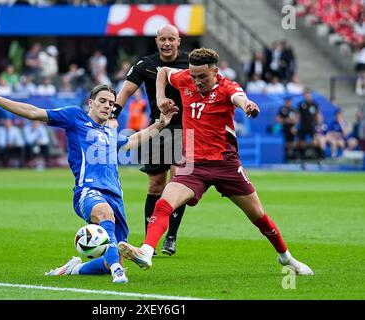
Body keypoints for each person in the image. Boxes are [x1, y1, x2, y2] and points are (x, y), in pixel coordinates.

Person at [117, 48, 314, 276]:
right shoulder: (185, 79)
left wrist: (247, 105)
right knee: (164, 203)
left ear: (215, 71)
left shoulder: (227, 87)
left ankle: (286, 258)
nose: (196, 81)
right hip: (193, 165)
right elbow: (162, 72)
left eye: (202, 77)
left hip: (226, 165)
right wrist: (161, 98)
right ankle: (146, 251)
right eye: (193, 76)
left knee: (258, 216)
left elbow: (239, 98)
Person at [0, 83, 177, 284]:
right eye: (102, 101)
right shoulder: (75, 117)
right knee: (105, 215)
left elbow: (133, 141)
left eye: (111, 103)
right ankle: (118, 272)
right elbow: (35, 112)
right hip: (88, 191)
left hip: (116, 196)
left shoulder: (109, 133)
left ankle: (76, 269)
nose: (108, 106)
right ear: (90, 103)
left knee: (110, 258)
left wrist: (160, 125)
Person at [112, 24, 189, 256]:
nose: (167, 43)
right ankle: (150, 240)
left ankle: (171, 237)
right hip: (157, 128)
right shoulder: (146, 64)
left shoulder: (190, 63)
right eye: (162, 39)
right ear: (156, 41)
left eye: (171, 39)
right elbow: (125, 92)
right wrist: (113, 116)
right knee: (156, 184)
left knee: (178, 182)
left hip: (185, 129)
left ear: (178, 41)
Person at [297, 88, 319, 168]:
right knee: (302, 143)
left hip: (312, 126)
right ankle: (303, 160)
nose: (307, 96)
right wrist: (295, 126)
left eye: (308, 94)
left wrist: (319, 124)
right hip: (303, 125)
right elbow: (298, 116)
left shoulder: (314, 104)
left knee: (315, 141)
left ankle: (316, 158)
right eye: (305, 94)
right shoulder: (301, 104)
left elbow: (317, 115)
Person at [276, 97, 298, 162]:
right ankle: (286, 157)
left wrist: (290, 121)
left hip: (292, 128)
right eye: (287, 101)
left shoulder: (293, 109)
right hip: (284, 128)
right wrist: (286, 120)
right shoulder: (282, 109)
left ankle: (293, 157)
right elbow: (278, 119)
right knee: (286, 143)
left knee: (293, 143)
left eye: (289, 101)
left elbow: (296, 119)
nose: (288, 103)